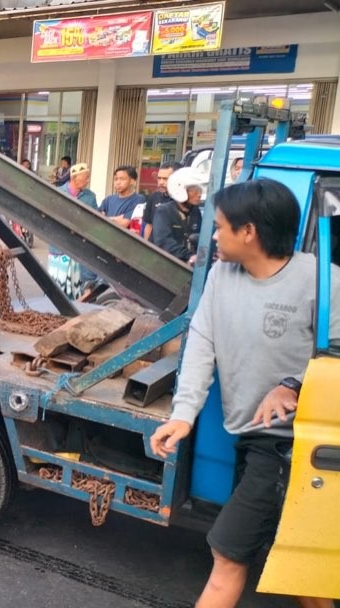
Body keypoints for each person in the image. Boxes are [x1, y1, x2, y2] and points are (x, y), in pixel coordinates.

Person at [149, 179, 339, 608]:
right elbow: (201, 343)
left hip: (292, 448)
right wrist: (183, 415)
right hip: (252, 440)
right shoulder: (222, 275)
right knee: (295, 563)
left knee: (227, 558)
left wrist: (293, 385)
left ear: (248, 231)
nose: (213, 236)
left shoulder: (322, 280)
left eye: (219, 227)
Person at [150, 167, 207, 263]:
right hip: (163, 264)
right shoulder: (164, 211)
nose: (199, 194)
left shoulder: (195, 212)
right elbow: (163, 241)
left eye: (200, 190)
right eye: (194, 190)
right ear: (180, 189)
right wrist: (189, 255)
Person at [141, 162, 182, 240]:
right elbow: (149, 225)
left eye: (165, 179)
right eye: (159, 178)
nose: (161, 182)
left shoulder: (184, 202)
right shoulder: (154, 197)